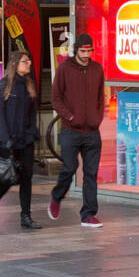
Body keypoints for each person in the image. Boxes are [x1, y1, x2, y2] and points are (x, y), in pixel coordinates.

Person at [48, 33, 106, 227]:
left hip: (91, 131)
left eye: (89, 51)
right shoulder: (64, 69)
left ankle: (88, 214)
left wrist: (97, 119)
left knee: (91, 173)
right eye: (83, 51)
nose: (86, 54)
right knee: (69, 167)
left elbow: (100, 97)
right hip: (71, 130)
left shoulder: (97, 69)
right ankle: (56, 197)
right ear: (76, 50)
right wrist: (70, 116)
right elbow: (56, 98)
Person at [0, 51, 42, 230]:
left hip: (26, 139)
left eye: (29, 61)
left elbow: (32, 113)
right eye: (25, 61)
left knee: (26, 177)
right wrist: (5, 138)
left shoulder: (29, 85)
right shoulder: (5, 84)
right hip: (9, 140)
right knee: (7, 178)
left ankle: (26, 216)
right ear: (15, 64)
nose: (29, 64)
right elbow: (0, 114)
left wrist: (33, 132)